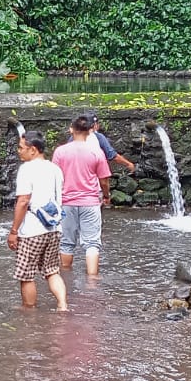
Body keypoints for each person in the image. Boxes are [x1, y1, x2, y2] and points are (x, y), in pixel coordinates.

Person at [6, 134, 68, 311]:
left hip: (32, 230)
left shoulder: (26, 169)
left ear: (33, 149)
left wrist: (14, 231)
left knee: (26, 275)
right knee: (52, 271)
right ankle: (62, 305)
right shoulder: (55, 168)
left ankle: (29, 310)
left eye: (21, 148)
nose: (19, 151)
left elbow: (23, 201)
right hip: (54, 227)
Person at [51, 116, 111, 275]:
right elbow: (104, 180)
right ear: (90, 130)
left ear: (71, 129)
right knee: (92, 244)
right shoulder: (96, 152)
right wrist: (106, 196)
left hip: (66, 202)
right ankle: (92, 282)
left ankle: (65, 278)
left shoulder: (60, 152)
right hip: (90, 202)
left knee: (66, 243)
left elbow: (54, 178)